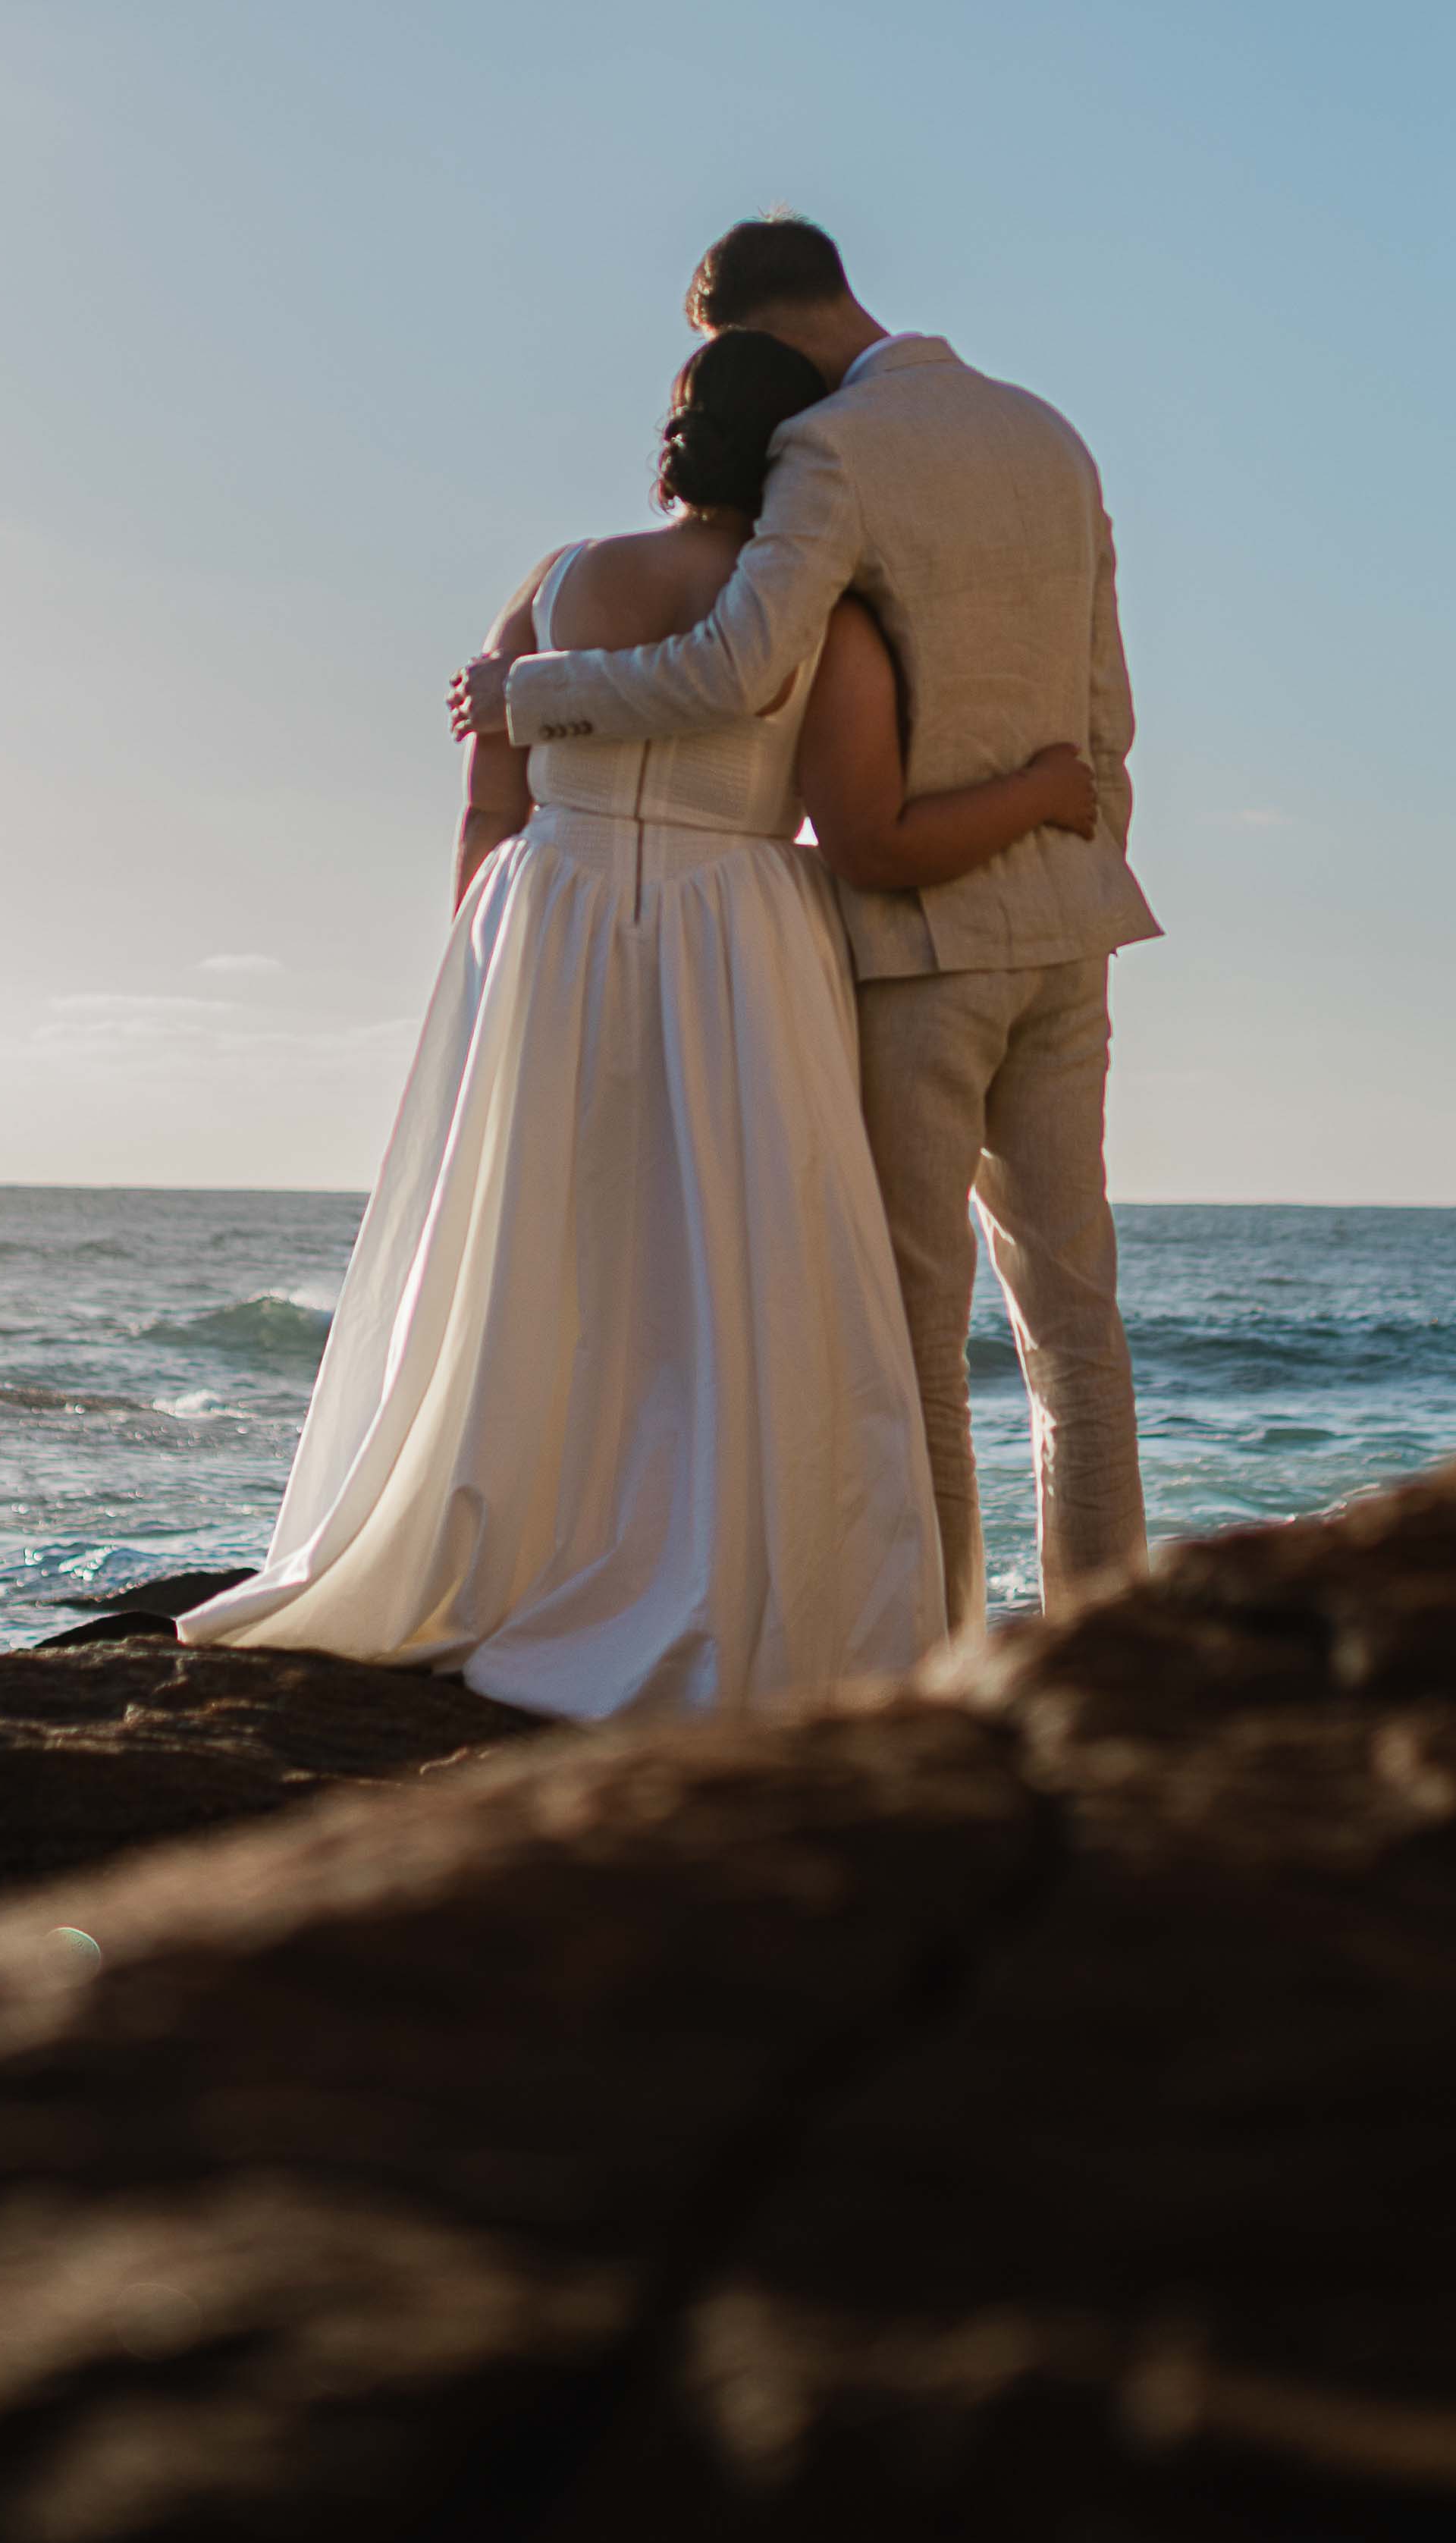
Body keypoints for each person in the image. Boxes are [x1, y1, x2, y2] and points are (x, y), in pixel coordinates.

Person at [177, 328, 1103, 1717]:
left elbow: (488, 803)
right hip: (734, 936)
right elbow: (867, 839)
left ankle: (514, 1534)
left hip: (543, 915)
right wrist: (1042, 786)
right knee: (715, 1263)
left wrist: (490, 969)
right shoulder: (828, 625)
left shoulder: (555, 583)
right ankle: (696, 1560)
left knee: (538, 1254)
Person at [456, 220, 1156, 1629]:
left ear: (757, 322)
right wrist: (1079, 855)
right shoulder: (1049, 435)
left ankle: (941, 1653)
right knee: (1076, 1327)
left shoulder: (831, 453)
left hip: (921, 935)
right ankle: (1113, 1645)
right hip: (1068, 921)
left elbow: (735, 664)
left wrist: (528, 697)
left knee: (914, 1337)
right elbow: (1105, 707)